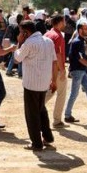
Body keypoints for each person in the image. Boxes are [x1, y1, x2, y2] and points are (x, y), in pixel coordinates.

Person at [14, 20, 57, 151]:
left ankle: (36, 143)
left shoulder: (28, 43)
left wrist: (19, 43)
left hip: (31, 84)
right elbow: (54, 61)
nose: (20, 34)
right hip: (44, 82)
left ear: (26, 32)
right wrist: (53, 80)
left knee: (32, 114)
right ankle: (48, 137)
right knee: (41, 111)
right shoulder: (48, 41)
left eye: (21, 32)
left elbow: (17, 58)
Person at [44, 14, 69, 127]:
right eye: (63, 22)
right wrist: (62, 70)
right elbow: (58, 54)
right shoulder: (58, 36)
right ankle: (57, 120)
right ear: (59, 22)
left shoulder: (47, 34)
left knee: (51, 90)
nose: (65, 24)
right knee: (60, 94)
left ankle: (36, 105)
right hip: (57, 69)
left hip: (48, 68)